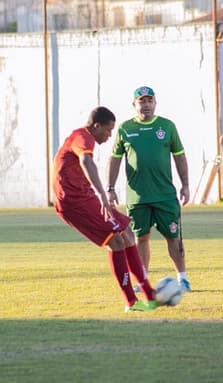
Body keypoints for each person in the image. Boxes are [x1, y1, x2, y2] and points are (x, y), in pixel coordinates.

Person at [52, 106, 160, 313]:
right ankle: (131, 302)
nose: (110, 135)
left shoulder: (83, 137)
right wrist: (102, 193)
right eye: (108, 130)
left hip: (84, 196)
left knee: (127, 233)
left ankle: (149, 293)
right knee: (116, 241)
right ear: (96, 125)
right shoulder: (83, 137)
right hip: (74, 201)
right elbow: (86, 160)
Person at [107, 86, 191, 292]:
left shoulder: (167, 126)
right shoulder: (125, 129)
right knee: (140, 238)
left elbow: (179, 156)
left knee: (173, 236)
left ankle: (183, 278)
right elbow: (115, 160)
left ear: (155, 103)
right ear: (134, 104)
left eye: (149, 101)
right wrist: (110, 188)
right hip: (138, 196)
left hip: (165, 195)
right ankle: (142, 280)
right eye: (141, 101)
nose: (146, 105)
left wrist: (186, 184)